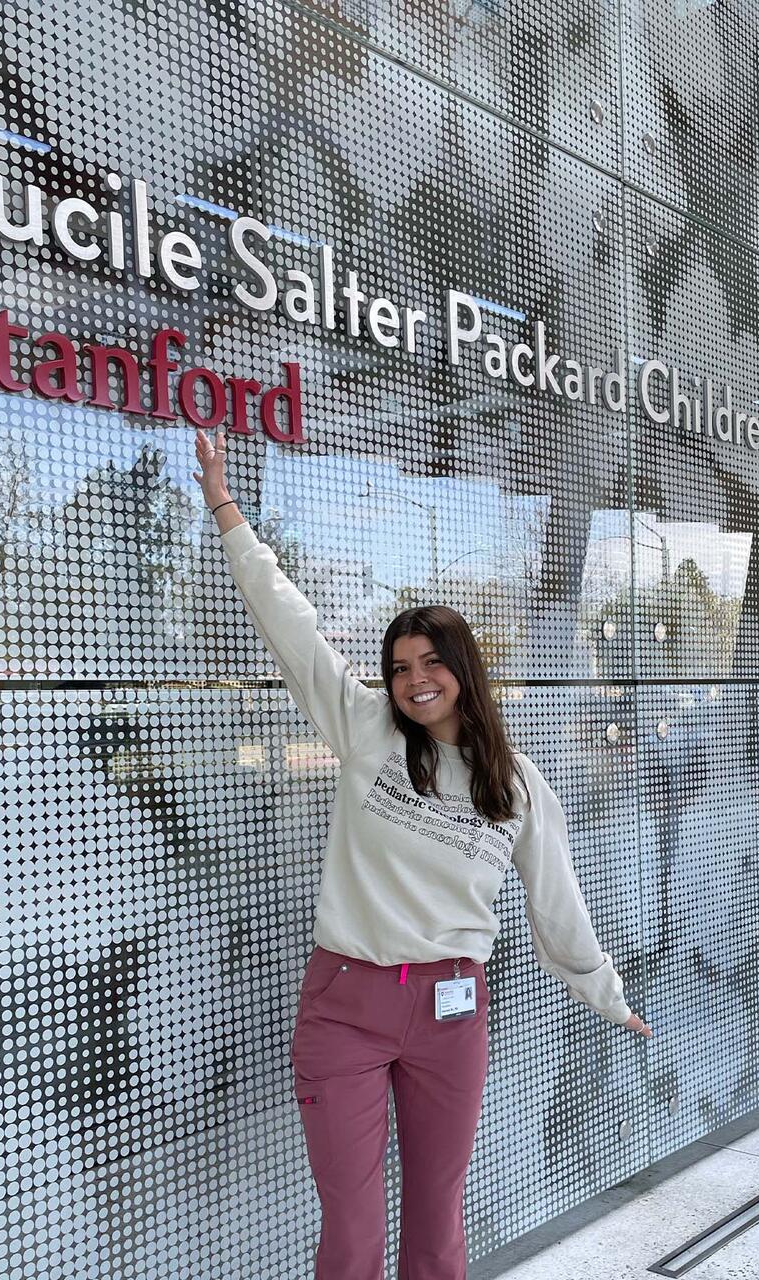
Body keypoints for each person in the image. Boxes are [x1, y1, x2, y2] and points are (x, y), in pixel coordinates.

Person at [192, 428, 652, 1280]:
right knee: (355, 1225)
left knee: (438, 1219)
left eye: (432, 661)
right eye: (400, 666)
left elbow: (558, 903)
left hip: (451, 1013)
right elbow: (289, 622)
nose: (414, 679)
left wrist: (605, 993)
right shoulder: (364, 729)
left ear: (463, 670)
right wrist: (226, 507)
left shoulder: (512, 785)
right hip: (346, 1005)